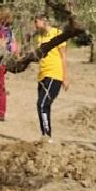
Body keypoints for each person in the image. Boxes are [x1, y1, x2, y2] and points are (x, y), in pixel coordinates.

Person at [34, 14, 69, 143]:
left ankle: (47, 136)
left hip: (55, 74)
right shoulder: (40, 37)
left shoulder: (57, 34)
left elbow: (64, 56)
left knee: (42, 104)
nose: (35, 25)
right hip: (42, 75)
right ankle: (45, 134)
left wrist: (65, 77)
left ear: (44, 21)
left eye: (36, 22)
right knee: (44, 105)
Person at [0, 6, 18, 122]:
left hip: (0, 61)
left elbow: (0, 45)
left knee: (0, 87)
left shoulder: (2, 30)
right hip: (3, 60)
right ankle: (0, 111)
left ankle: (0, 112)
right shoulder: (8, 29)